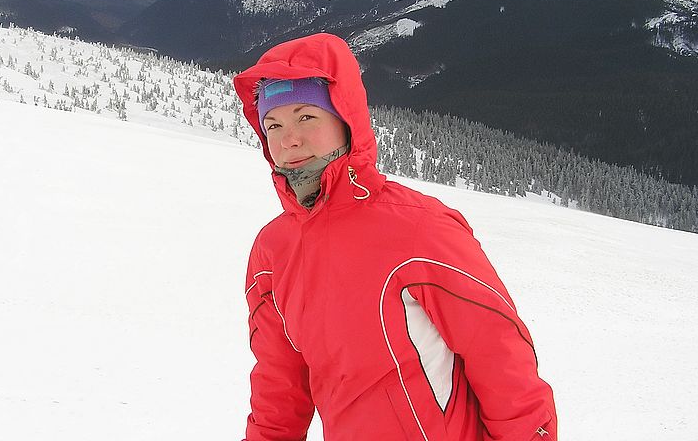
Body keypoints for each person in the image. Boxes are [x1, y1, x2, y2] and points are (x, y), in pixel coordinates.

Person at [233, 32, 557, 441]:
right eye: (273, 125)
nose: (288, 139)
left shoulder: (420, 228)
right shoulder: (273, 252)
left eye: (306, 117)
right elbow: (278, 390)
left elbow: (502, 360)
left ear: (345, 119)